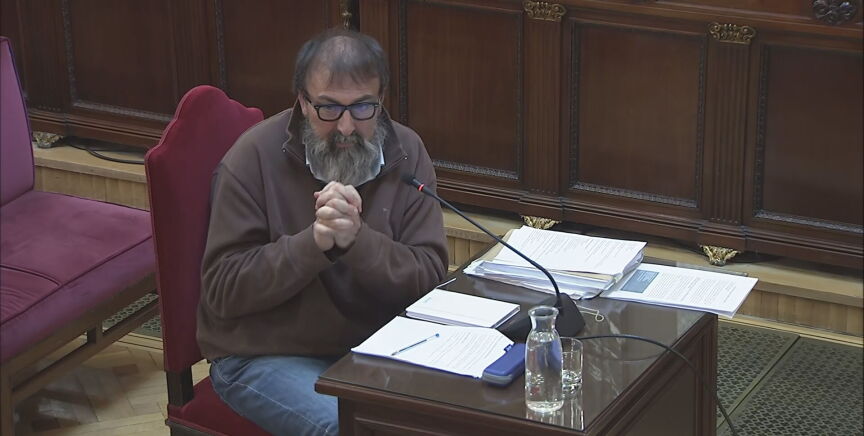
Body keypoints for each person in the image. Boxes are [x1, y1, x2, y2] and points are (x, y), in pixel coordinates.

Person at [197, 28, 448, 436]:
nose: (346, 127)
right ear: (302, 101)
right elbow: (224, 291)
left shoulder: (406, 152)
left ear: (382, 99)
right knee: (352, 430)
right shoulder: (251, 158)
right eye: (328, 108)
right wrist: (314, 244)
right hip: (264, 353)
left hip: (373, 349)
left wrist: (357, 241)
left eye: (363, 107)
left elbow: (429, 279)